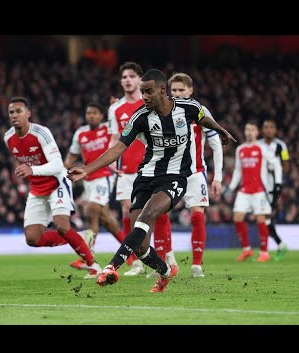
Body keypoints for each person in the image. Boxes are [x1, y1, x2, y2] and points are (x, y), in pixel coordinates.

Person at [68, 69, 235, 293]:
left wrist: (221, 130)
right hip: (145, 177)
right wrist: (86, 170)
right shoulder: (140, 116)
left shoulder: (188, 107)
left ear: (162, 90)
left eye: (148, 92)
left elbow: (204, 118)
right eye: (142, 92)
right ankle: (166, 272)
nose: (144, 96)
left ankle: (111, 266)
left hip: (175, 177)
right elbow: (118, 148)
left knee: (147, 215)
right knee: (141, 246)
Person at [3, 97, 101, 279]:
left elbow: (57, 165)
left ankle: (93, 265)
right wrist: (31, 172)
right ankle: (83, 236)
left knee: (62, 226)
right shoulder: (8, 137)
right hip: (37, 189)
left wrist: (32, 169)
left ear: (28, 114)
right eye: (11, 112)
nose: (14, 115)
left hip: (57, 183)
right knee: (32, 239)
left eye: (18, 111)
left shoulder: (41, 133)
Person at [147, 72, 224, 279]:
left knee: (197, 215)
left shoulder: (200, 110)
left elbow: (216, 143)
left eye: (182, 90)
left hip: (194, 173)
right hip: (168, 173)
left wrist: (217, 177)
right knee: (160, 214)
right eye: (175, 90)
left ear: (191, 91)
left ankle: (196, 265)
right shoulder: (163, 109)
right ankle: (163, 262)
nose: (178, 94)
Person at [108, 62, 174, 277]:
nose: (127, 80)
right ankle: (137, 261)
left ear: (139, 79)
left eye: (131, 76)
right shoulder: (115, 109)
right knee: (128, 212)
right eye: (124, 76)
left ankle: (166, 254)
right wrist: (111, 160)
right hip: (126, 169)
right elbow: (114, 137)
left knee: (157, 212)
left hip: (150, 166)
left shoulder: (151, 103)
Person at [64, 102, 125, 270]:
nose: (91, 115)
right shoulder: (80, 133)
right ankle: (132, 253)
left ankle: (87, 258)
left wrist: (114, 107)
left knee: (91, 211)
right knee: (106, 220)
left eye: (95, 113)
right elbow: (71, 157)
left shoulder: (108, 128)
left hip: (105, 177)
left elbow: (121, 133)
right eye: (88, 113)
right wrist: (64, 169)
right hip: (88, 181)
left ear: (101, 115)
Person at [227, 120, 281, 262]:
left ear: (257, 133)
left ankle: (264, 252)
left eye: (252, 129)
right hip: (244, 191)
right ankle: (247, 250)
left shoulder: (262, 148)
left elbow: (275, 163)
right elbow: (238, 171)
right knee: (237, 217)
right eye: (247, 129)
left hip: (259, 191)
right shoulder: (241, 149)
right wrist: (231, 188)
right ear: (245, 132)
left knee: (261, 219)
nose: (249, 132)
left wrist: (276, 182)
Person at [258, 119, 289, 260]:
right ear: (262, 130)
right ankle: (277, 245)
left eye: (271, 127)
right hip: (260, 185)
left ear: (275, 130)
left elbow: (286, 164)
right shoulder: (257, 145)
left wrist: (278, 178)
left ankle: (271, 248)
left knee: (265, 217)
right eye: (266, 127)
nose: (269, 130)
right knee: (265, 217)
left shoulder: (281, 146)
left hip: (274, 187)